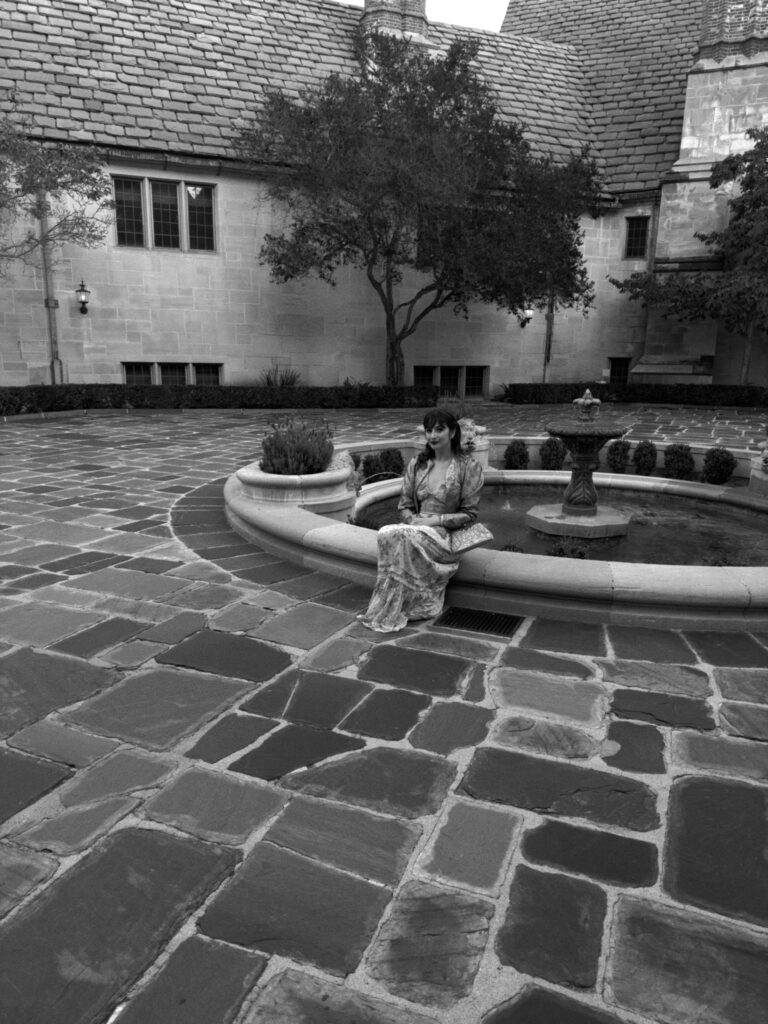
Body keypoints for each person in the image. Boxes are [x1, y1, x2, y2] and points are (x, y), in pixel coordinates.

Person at [357, 408, 484, 633]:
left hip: (445, 533)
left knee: (403, 535)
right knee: (386, 532)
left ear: (453, 432)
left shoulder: (469, 466)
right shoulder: (418, 464)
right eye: (428, 430)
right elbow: (404, 505)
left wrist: (434, 521)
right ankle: (396, 603)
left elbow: (470, 514)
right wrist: (413, 520)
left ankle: (425, 603)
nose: (433, 435)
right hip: (415, 528)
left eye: (439, 429)